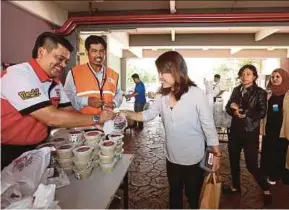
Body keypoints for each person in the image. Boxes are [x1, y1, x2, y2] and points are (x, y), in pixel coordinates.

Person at [121, 51, 221, 209]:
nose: (160, 76)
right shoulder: (161, 95)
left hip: (194, 157)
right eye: (158, 72)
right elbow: (149, 114)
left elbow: (208, 125)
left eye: (163, 72)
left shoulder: (196, 94)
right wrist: (128, 113)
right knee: (174, 193)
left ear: (177, 70)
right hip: (172, 156)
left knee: (193, 196)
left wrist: (216, 154)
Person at [1, 32, 115, 169]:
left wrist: (95, 126)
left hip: (39, 146)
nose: (63, 65)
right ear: (42, 52)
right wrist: (96, 118)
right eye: (59, 58)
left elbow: (69, 112)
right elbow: (52, 117)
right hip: (8, 150)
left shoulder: (55, 83)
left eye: (66, 61)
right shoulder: (18, 75)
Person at [225, 64, 271, 205]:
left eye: (248, 74)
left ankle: (266, 188)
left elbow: (262, 113)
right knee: (233, 161)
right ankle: (236, 186)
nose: (244, 76)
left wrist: (244, 111)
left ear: (254, 76)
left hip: (250, 132)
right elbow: (228, 107)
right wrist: (234, 111)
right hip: (235, 132)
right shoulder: (236, 90)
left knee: (251, 165)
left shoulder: (260, 93)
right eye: (243, 74)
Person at [64, 35, 122, 114]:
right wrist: (86, 101)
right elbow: (66, 99)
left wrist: (114, 103)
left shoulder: (114, 74)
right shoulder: (74, 73)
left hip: (107, 124)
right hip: (83, 124)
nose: (98, 55)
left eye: (101, 51)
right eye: (94, 51)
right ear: (87, 52)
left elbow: (119, 94)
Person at [260, 68, 289, 185]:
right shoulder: (268, 92)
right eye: (273, 77)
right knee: (268, 152)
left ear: (284, 78)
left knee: (280, 153)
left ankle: (276, 175)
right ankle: (268, 172)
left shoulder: (288, 93)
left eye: (277, 77)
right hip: (270, 128)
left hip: (283, 130)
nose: (275, 79)